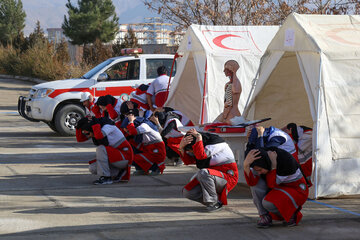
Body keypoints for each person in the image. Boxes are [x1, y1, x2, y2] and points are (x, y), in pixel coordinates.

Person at [244, 147, 308, 228]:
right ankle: (265, 216)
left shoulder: (284, 160)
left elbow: (272, 184)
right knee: (255, 186)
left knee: (267, 203)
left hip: (297, 190)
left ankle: (291, 214)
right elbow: (251, 183)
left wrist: (274, 166)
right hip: (280, 187)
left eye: (260, 170)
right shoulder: (262, 161)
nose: (259, 173)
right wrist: (246, 165)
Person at [179, 129, 238, 212]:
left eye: (190, 150)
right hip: (211, 176)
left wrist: (198, 137)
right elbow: (188, 161)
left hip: (227, 177)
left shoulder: (217, 143)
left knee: (203, 173)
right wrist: (181, 148)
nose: (191, 152)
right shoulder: (199, 146)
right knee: (188, 191)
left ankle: (214, 203)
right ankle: (216, 201)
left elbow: (201, 156)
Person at [76, 117, 133, 184]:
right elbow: (80, 139)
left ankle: (106, 178)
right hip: (116, 158)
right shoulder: (95, 130)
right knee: (93, 168)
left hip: (125, 157)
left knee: (101, 148)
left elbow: (99, 136)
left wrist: (95, 123)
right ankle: (119, 172)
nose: (87, 136)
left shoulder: (108, 126)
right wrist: (78, 127)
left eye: (88, 133)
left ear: (92, 129)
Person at [121, 103, 166, 176]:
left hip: (156, 151)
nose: (127, 131)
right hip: (150, 148)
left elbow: (133, 131)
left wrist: (131, 121)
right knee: (130, 148)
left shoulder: (145, 125)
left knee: (129, 158)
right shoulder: (142, 122)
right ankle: (141, 168)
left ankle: (156, 168)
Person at [215, 60, 241, 124]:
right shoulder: (228, 84)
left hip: (232, 114)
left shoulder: (236, 83)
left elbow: (235, 91)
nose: (224, 71)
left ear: (231, 69)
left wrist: (224, 116)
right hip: (227, 113)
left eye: (226, 69)